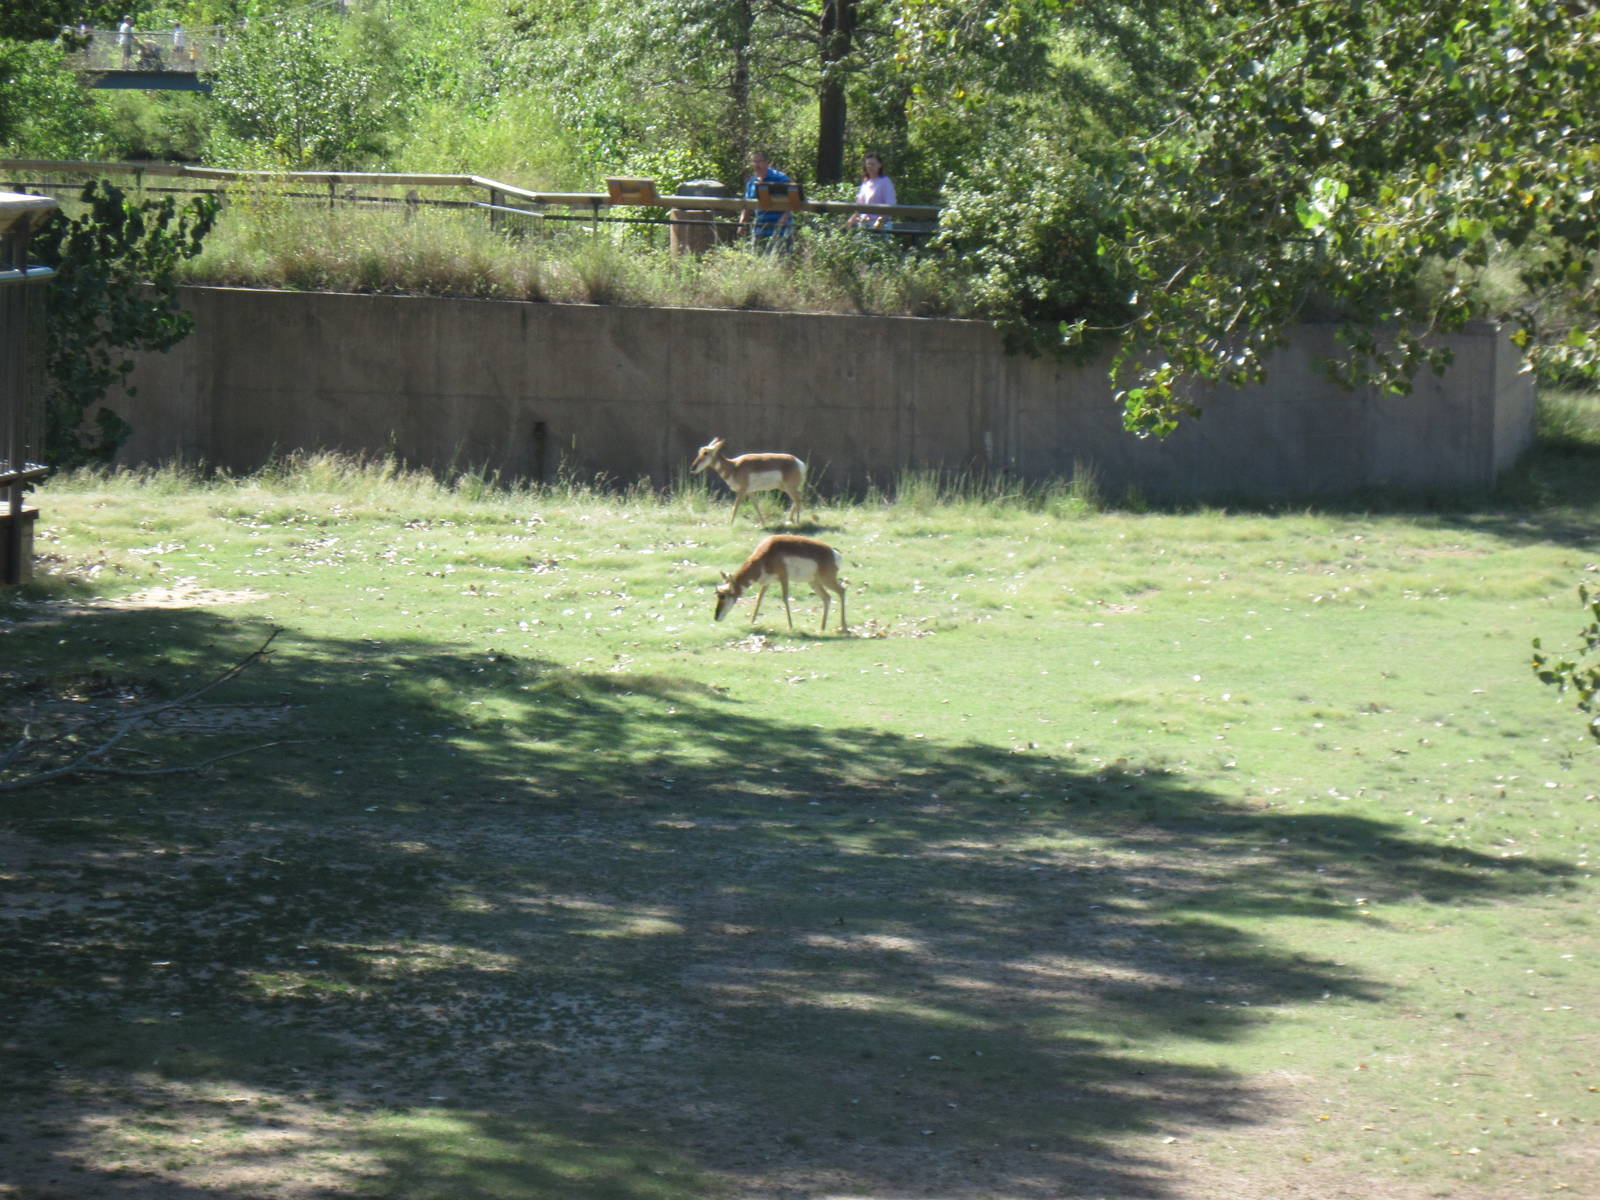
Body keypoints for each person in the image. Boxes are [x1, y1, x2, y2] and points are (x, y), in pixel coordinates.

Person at [738, 151, 794, 250]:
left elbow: (794, 197)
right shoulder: (751, 182)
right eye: (754, 162)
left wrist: (785, 216)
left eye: (759, 161)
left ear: (767, 162)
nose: (756, 165)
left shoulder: (780, 178)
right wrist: (742, 223)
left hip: (781, 230)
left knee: (782, 262)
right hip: (760, 230)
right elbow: (747, 206)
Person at [845, 152, 896, 231]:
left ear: (879, 165)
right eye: (868, 164)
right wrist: (851, 220)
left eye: (873, 164)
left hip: (881, 225)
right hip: (863, 224)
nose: (870, 167)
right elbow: (860, 206)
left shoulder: (885, 182)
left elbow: (890, 205)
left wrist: (879, 221)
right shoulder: (865, 183)